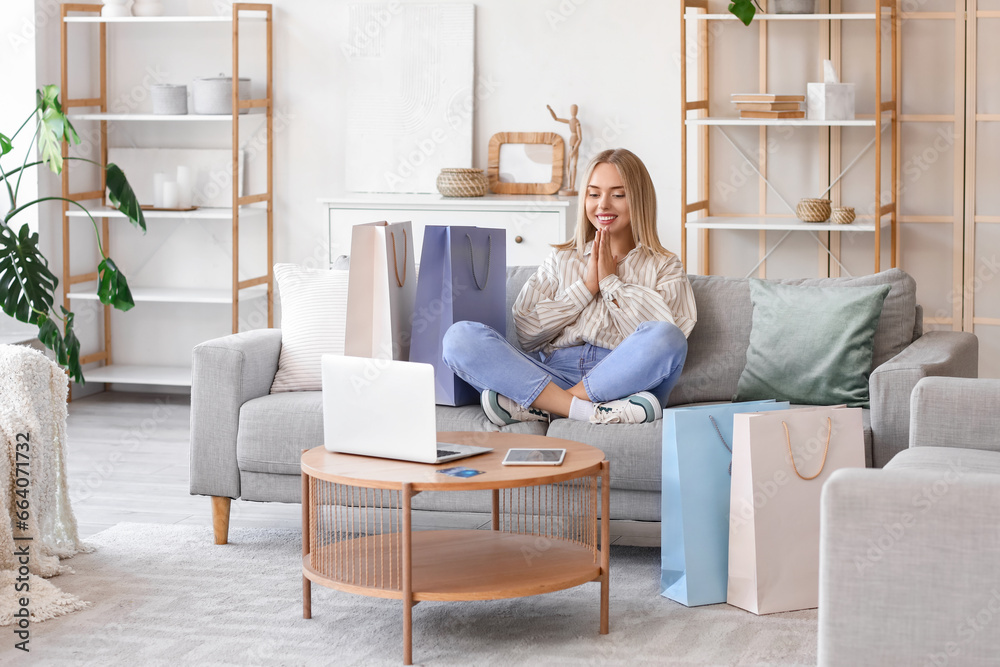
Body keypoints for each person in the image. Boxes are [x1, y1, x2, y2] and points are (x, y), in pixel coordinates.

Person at [442, 148, 696, 425]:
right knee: (459, 337)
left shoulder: (665, 265)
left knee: (667, 336)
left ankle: (545, 406)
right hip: (549, 374)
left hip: (622, 382)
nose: (603, 205)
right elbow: (527, 332)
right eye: (594, 193)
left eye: (618, 194)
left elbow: (667, 338)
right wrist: (586, 287)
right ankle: (587, 411)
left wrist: (611, 283)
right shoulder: (561, 259)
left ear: (640, 199)